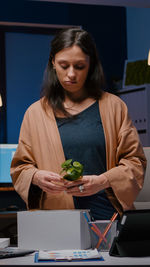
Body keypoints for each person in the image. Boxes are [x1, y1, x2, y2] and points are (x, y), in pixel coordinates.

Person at [10, 27, 146, 220]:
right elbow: (20, 168)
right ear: (53, 63)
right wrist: (36, 177)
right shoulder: (35, 113)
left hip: (107, 218)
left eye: (79, 66)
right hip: (56, 219)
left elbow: (135, 162)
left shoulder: (114, 107)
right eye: (64, 66)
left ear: (91, 65)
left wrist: (102, 181)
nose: (71, 74)